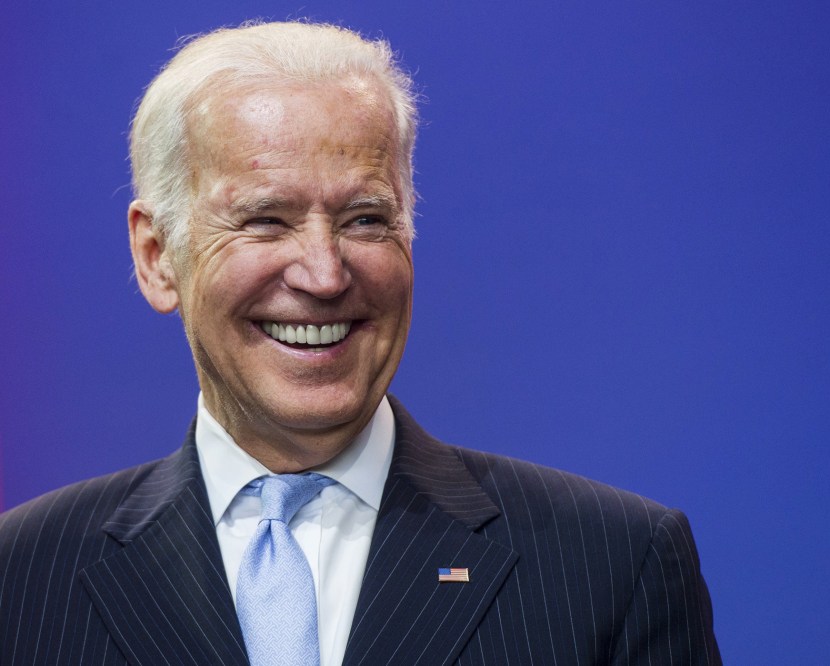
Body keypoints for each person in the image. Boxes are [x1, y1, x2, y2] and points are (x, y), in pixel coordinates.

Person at [0, 21, 721, 665]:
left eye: (366, 219)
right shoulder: (22, 577)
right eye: (266, 220)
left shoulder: (612, 564)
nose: (324, 272)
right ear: (158, 257)